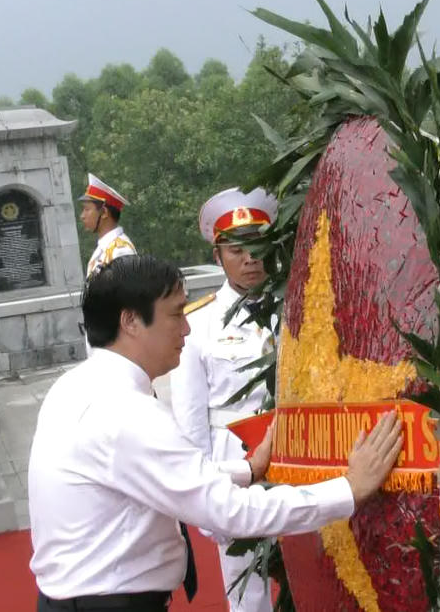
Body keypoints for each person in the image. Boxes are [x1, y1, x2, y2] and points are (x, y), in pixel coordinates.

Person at [29, 254, 404, 612]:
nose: (187, 327)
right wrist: (348, 489)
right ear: (130, 322)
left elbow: (158, 474)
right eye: (176, 314)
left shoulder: (77, 386)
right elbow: (229, 512)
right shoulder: (127, 414)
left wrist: (248, 469)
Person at [169, 186, 279, 612]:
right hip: (236, 459)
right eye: (236, 249)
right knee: (246, 589)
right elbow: (191, 423)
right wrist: (205, 497)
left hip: (297, 456)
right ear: (218, 256)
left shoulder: (297, 309)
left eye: (258, 246)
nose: (250, 258)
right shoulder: (199, 323)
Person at [79, 173, 137, 280]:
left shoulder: (121, 250)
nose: (82, 216)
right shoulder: (104, 248)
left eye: (87, 209)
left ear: (104, 213)